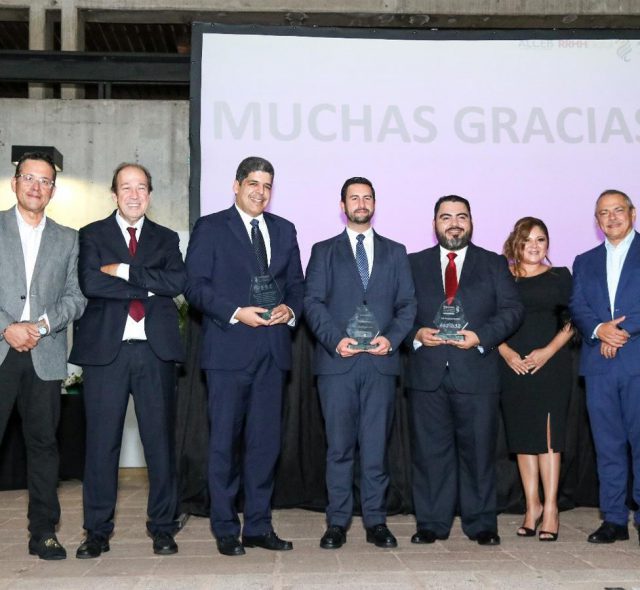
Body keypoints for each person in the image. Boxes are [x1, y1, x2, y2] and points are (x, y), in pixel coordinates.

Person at [185, 156, 304, 556]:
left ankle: (258, 526)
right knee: (223, 445)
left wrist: (290, 309)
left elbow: (297, 285)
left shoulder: (284, 229)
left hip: (273, 353)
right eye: (253, 183)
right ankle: (224, 527)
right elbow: (194, 286)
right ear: (236, 186)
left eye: (267, 186)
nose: (260, 192)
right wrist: (236, 312)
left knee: (265, 447)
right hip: (228, 352)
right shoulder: (211, 227)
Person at [70, 163, 186, 558]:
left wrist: (121, 271)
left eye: (141, 188)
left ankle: (163, 527)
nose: (134, 195)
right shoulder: (91, 234)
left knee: (160, 445)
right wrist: (149, 286)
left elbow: (177, 282)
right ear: (114, 194)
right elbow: (91, 283)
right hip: (107, 353)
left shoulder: (166, 238)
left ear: (150, 194)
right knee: (101, 445)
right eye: (126, 187)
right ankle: (96, 532)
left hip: (155, 352)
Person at [304, 177, 416, 550]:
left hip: (381, 363)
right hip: (338, 363)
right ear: (343, 205)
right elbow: (312, 302)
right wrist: (336, 340)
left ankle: (376, 521)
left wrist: (392, 338)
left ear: (374, 204)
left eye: (367, 197)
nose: (361, 203)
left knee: (375, 449)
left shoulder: (396, 252)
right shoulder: (323, 251)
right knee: (338, 448)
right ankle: (337, 522)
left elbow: (407, 305)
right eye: (354, 198)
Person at [406, 195, 523, 546]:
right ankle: (431, 523)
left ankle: (482, 523)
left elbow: (512, 309)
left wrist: (481, 337)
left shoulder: (493, 263)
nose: (454, 223)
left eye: (461, 216)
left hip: (477, 372)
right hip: (427, 373)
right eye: (446, 217)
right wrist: (415, 334)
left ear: (471, 222)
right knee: (429, 453)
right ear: (434, 224)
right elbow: (397, 308)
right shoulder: (412, 263)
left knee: (479, 452)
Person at [0, 151, 86, 560]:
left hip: (44, 354)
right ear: (15, 182)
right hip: (2, 347)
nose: (37, 187)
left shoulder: (68, 238)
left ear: (53, 190)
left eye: (45, 181)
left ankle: (44, 532)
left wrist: (42, 326)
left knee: (44, 446)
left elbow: (76, 296)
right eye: (29, 178)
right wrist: (8, 327)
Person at [570, 189, 640, 544]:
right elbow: (577, 305)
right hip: (599, 365)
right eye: (603, 213)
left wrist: (622, 331)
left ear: (632, 213)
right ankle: (614, 519)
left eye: (617, 210)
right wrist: (600, 330)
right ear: (596, 220)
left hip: (636, 361)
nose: (611, 218)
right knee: (607, 446)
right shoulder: (584, 260)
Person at [498, 217, 574, 541]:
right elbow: (489, 320)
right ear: (516, 242)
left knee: (548, 439)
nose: (534, 245)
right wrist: (505, 353)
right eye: (527, 239)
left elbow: (572, 321)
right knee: (522, 438)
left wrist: (547, 352)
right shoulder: (503, 277)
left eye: (540, 239)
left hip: (551, 366)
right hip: (513, 367)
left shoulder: (561, 276)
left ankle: (551, 509)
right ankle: (532, 506)